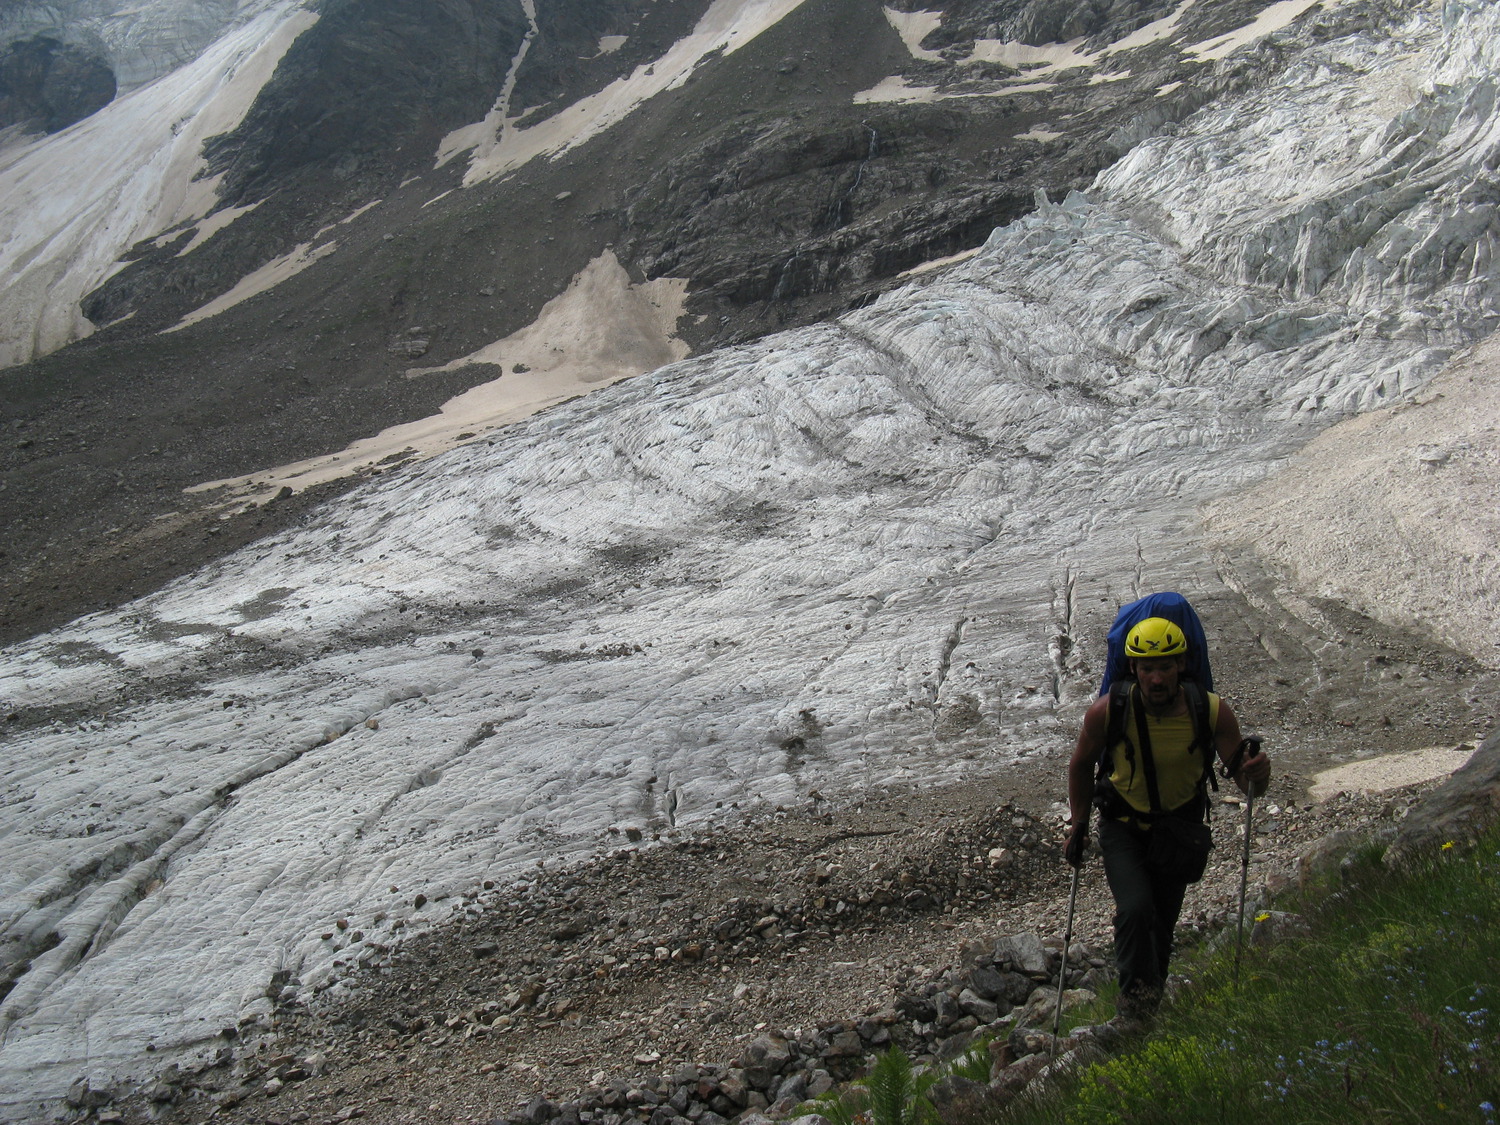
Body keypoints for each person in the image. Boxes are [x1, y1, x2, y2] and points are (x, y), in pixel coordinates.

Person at [1063, 616, 1270, 1023]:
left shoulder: (1210, 711)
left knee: (1162, 923)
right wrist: (1079, 824)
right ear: (1133, 670)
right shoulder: (1108, 711)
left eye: (1165, 667)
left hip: (1179, 831)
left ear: (1181, 666)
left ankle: (1149, 1007)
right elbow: (1080, 765)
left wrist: (1259, 776)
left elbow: (1245, 781)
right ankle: (1132, 1009)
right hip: (1123, 826)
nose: (1156, 679)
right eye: (1147, 669)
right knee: (1136, 910)